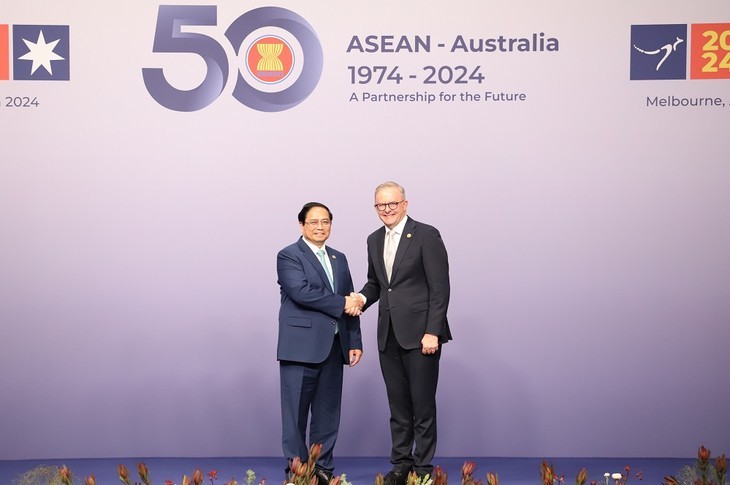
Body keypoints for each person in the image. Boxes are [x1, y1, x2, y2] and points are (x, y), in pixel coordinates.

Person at [354, 181, 451, 485]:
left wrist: (432, 331)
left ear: (405, 204)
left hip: (422, 336)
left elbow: (440, 287)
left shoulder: (426, 234)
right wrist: (359, 299)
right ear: (375, 208)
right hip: (388, 335)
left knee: (422, 405)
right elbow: (377, 284)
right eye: (381, 205)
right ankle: (400, 465)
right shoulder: (373, 240)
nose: (387, 210)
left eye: (392, 204)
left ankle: (422, 468)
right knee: (398, 407)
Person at [276, 202, 364, 484]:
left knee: (328, 414)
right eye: (313, 222)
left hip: (334, 346)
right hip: (300, 348)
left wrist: (354, 340)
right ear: (302, 225)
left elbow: (351, 303)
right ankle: (298, 473)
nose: (320, 227)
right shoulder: (289, 255)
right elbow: (302, 292)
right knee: (295, 417)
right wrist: (343, 302)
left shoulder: (339, 258)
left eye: (325, 222)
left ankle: (323, 470)